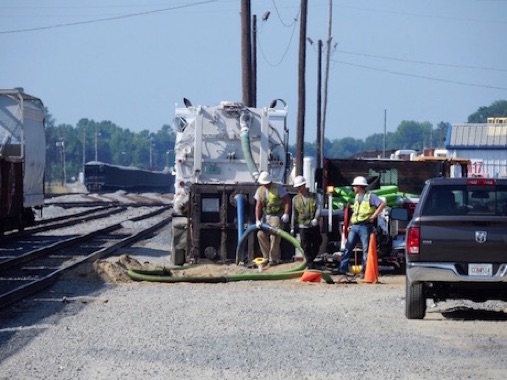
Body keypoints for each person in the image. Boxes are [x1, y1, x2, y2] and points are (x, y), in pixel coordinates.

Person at [336, 176, 386, 276]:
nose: (353, 188)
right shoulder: (356, 197)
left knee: (366, 250)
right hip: (355, 226)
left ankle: (365, 271)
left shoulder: (370, 196)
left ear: (359, 186)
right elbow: (355, 212)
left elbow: (382, 204)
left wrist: (373, 216)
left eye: (354, 186)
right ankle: (342, 269)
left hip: (365, 226)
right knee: (348, 247)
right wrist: (350, 224)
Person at [255, 171, 291, 265]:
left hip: (276, 215)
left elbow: (287, 200)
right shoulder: (260, 190)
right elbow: (258, 206)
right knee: (260, 234)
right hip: (265, 216)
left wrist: (286, 213)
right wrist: (257, 220)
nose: (265, 185)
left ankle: (273, 259)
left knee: (274, 234)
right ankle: (266, 257)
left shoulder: (278, 188)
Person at [291, 175, 322, 269]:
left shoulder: (314, 196)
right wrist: (292, 227)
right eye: (297, 187)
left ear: (304, 185)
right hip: (302, 226)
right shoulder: (295, 199)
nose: (298, 189)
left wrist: (316, 218)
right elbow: (294, 213)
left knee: (318, 242)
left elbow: (318, 208)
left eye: (300, 186)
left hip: (313, 225)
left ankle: (311, 260)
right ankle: (310, 264)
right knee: (305, 245)